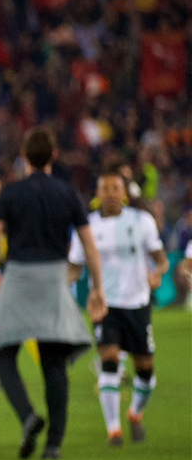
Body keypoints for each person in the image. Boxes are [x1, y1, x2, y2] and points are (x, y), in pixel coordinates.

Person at [0, 128, 106, 460]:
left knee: (1, 352)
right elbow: (90, 247)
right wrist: (97, 289)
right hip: (54, 278)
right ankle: (54, 444)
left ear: (24, 153)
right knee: (53, 362)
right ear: (53, 155)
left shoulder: (10, 193)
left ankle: (28, 415)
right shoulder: (68, 192)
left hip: (18, 276)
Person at [67, 170, 167, 445]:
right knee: (109, 360)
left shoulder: (142, 221)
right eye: (105, 188)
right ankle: (114, 430)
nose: (110, 193)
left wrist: (156, 272)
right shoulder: (87, 226)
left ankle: (135, 413)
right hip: (104, 304)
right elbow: (74, 266)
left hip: (137, 303)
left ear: (124, 192)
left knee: (144, 369)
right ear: (97, 194)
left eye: (115, 188)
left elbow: (160, 259)